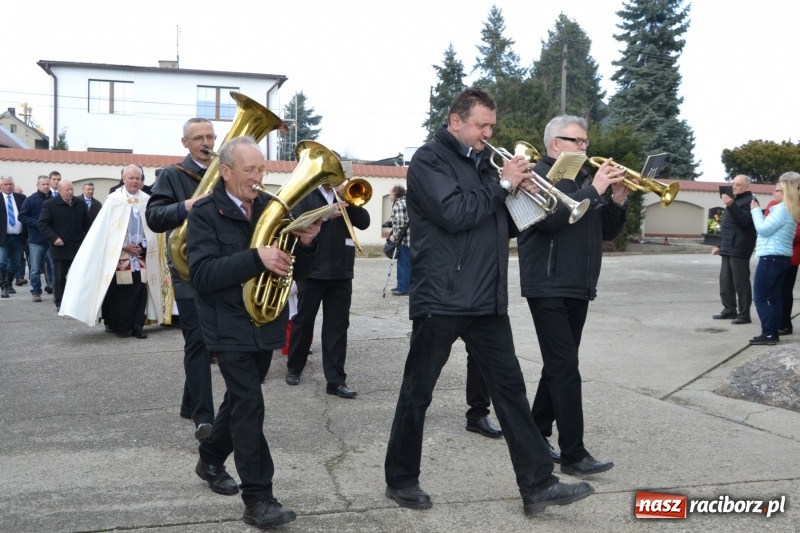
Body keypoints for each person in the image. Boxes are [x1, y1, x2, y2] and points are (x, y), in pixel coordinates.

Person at [384, 88, 594, 517]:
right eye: (481, 125)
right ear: (455, 121)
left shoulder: (484, 163)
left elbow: (500, 224)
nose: (488, 134)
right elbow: (454, 214)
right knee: (418, 392)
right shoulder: (429, 160)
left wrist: (525, 198)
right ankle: (401, 479)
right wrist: (504, 184)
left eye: (492, 126)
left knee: (511, 393)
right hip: (442, 297)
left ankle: (538, 485)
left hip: (485, 298)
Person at [187, 136, 321, 529]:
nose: (258, 177)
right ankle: (259, 498)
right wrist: (255, 257)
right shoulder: (205, 213)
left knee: (239, 401)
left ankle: (211, 457)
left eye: (262, 169)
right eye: (250, 170)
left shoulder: (270, 208)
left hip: (264, 323)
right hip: (226, 324)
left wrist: (306, 246)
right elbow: (202, 275)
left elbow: (296, 272)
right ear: (226, 172)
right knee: (250, 405)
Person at [516, 115, 628, 476]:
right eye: (576, 141)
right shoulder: (535, 177)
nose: (584, 147)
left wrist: (618, 199)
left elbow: (605, 230)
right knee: (565, 368)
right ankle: (573, 454)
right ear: (555, 144)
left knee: (558, 365)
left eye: (585, 141)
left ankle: (535, 431)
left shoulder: (583, 179)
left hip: (579, 285)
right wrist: (594, 189)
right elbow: (549, 221)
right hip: (547, 283)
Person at [146, 117, 217, 441]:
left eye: (210, 137)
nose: (206, 143)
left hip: (219, 266)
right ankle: (204, 418)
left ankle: (190, 403)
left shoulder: (224, 171)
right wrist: (187, 205)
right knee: (198, 340)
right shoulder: (172, 175)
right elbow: (154, 216)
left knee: (209, 339)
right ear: (185, 143)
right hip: (186, 268)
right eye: (198, 138)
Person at [285, 181, 370, 398]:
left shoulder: (345, 195)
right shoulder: (306, 193)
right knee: (303, 321)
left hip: (341, 270)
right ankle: (294, 367)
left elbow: (364, 223)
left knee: (337, 327)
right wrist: (325, 215)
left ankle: (336, 380)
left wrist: (350, 201)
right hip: (312, 269)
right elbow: (295, 221)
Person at [59, 165, 165, 339]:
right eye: (131, 178)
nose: (134, 182)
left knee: (140, 290)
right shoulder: (114, 200)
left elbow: (152, 227)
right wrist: (124, 246)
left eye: (138, 178)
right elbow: (105, 231)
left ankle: (138, 326)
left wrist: (145, 243)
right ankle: (122, 326)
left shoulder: (147, 200)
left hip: (140, 254)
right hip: (118, 256)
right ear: (123, 179)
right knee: (122, 292)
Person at [748, 177, 800, 345]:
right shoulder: (789, 210)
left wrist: (755, 210)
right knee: (775, 298)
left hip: (771, 257)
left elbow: (763, 229)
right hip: (782, 258)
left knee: (760, 298)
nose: (773, 193)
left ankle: (769, 333)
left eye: (776, 190)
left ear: (785, 193)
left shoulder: (782, 210)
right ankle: (774, 331)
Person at [711, 175, 757, 324]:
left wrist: (730, 204)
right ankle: (729, 310)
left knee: (740, 282)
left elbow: (745, 222)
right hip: (728, 246)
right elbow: (726, 225)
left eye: (739, 185)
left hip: (740, 246)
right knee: (725, 280)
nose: (735, 187)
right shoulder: (735, 200)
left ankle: (744, 314)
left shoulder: (750, 201)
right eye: (734, 184)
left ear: (747, 187)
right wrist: (719, 245)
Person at [37, 180, 89, 310]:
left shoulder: (80, 204)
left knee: (80, 276)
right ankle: (60, 302)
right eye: (67, 190)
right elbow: (42, 224)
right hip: (60, 247)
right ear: (59, 191)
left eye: (72, 189)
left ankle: (77, 301)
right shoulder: (50, 205)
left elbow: (87, 224)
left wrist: (88, 239)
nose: (70, 192)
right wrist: (54, 238)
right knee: (60, 277)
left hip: (78, 247)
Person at [763, 173, 800, 336]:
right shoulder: (773, 203)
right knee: (771, 290)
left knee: (784, 290)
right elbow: (765, 226)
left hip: (792, 255)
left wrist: (782, 233)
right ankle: (775, 321)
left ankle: (784, 323)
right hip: (772, 252)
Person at [18, 176, 52, 302]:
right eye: (43, 184)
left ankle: (54, 288)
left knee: (53, 266)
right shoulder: (31, 200)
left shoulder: (54, 199)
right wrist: (37, 223)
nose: (46, 186)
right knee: (35, 268)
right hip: (36, 240)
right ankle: (36, 291)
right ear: (37, 185)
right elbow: (22, 216)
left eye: (47, 184)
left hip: (52, 239)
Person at [0, 176, 27, 299]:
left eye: (10, 184)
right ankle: (4, 286)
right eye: (5, 184)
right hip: (2, 237)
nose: (8, 186)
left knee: (16, 263)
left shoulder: (21, 198)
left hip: (18, 236)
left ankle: (9, 282)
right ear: (1, 186)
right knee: (2, 262)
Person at [387, 185, 410, 296]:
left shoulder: (399, 204)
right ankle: (401, 285)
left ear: (396, 193)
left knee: (403, 263)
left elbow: (401, 223)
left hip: (405, 239)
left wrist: (395, 236)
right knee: (404, 263)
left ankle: (403, 288)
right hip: (408, 238)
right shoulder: (406, 202)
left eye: (390, 192)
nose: (389, 194)